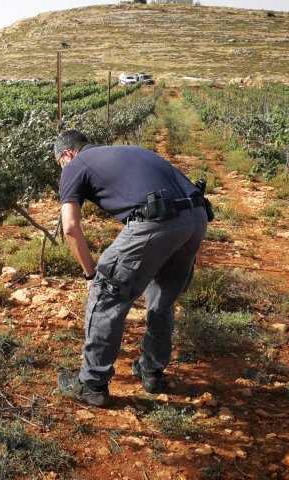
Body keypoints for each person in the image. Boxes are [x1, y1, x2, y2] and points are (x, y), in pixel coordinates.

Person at [54, 130, 209, 407]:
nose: (63, 170)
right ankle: (152, 370)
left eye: (60, 164)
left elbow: (70, 227)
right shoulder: (128, 150)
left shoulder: (75, 164)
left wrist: (91, 273)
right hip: (195, 218)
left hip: (156, 222)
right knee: (162, 298)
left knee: (105, 295)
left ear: (67, 154)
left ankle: (91, 384)